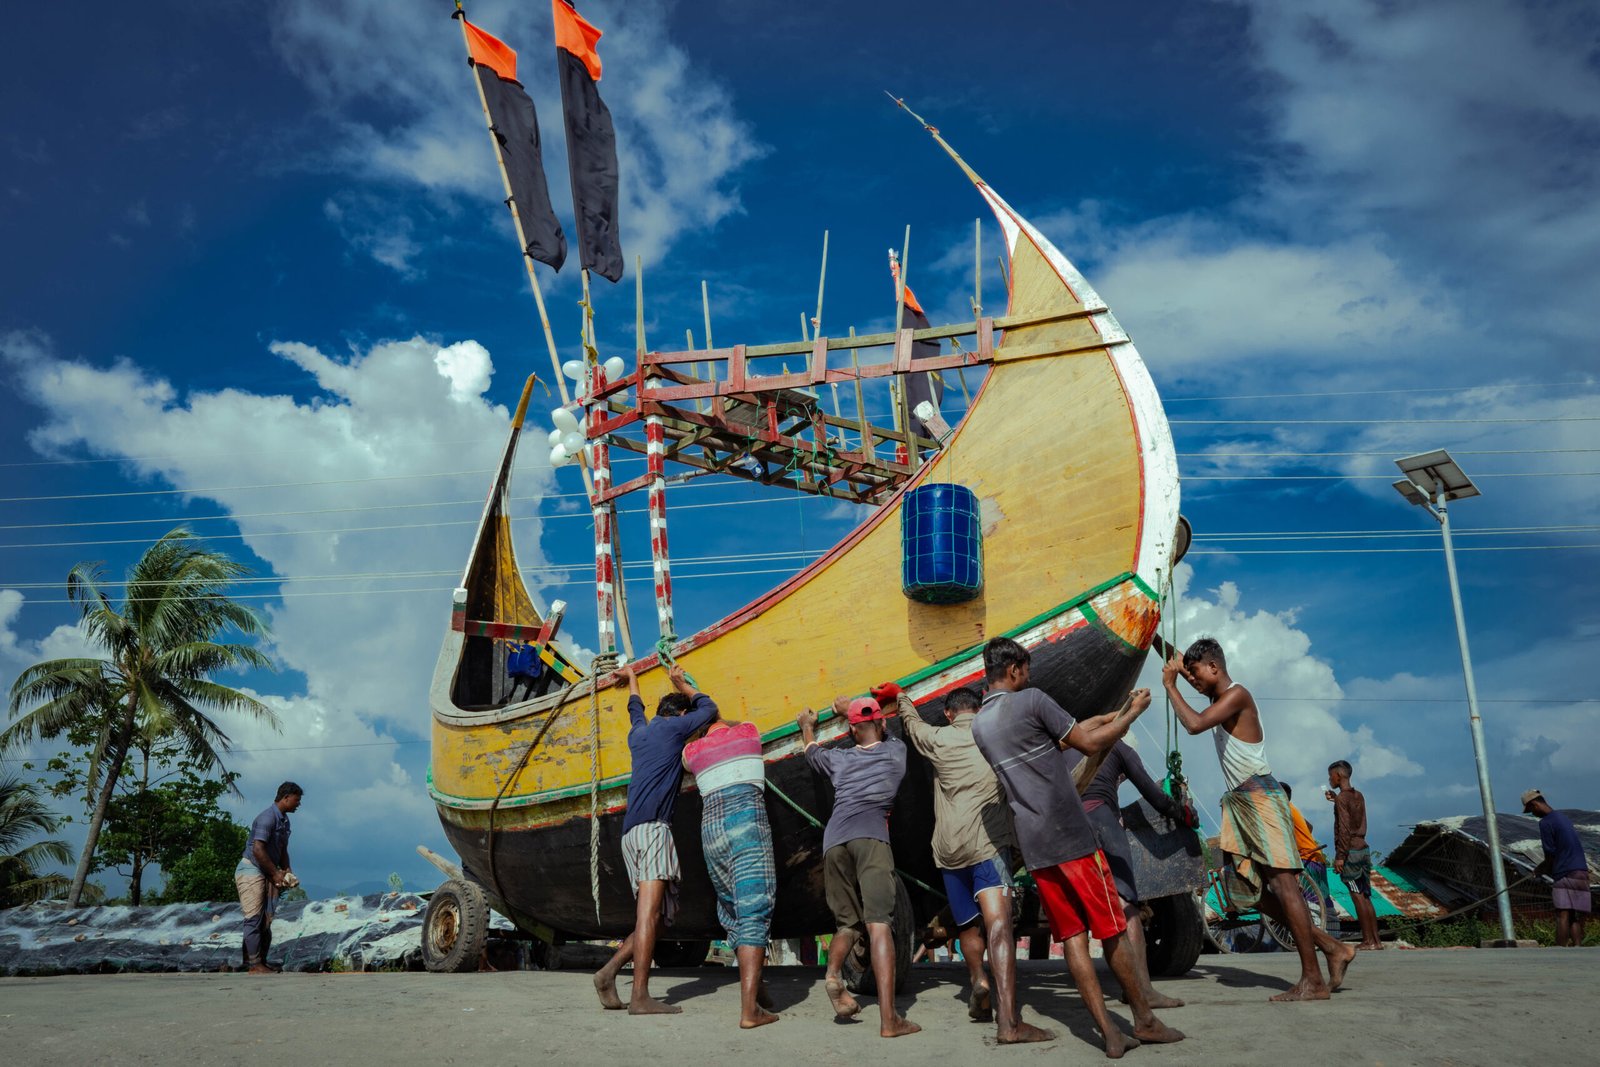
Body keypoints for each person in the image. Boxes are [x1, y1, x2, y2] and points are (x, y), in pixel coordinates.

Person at [970, 637, 1184, 1058]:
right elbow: (1088, 744)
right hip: (1071, 834)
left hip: (1033, 845)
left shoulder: (981, 724)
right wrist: (1133, 715)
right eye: (1026, 670)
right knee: (1113, 928)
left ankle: (1109, 1033)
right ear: (1014, 669)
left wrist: (1112, 714)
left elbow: (1055, 741)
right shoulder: (1031, 699)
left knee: (1071, 936)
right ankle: (1144, 1019)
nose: (1029, 676)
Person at [1164, 637, 1355, 1002]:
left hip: (1260, 796)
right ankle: (1332, 947)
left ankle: (1313, 981)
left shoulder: (1237, 695)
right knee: (1244, 891)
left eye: (1198, 675)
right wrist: (1157, 636)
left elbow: (1193, 725)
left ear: (1215, 667)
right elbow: (1186, 666)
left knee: (1284, 887)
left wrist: (1170, 685)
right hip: (1238, 802)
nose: (1194, 682)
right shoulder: (1217, 696)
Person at [883, 680, 1053, 1044]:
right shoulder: (995, 736)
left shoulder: (938, 738)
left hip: (948, 852)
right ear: (978, 710)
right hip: (986, 847)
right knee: (999, 928)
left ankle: (978, 980)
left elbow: (911, 725)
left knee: (968, 928)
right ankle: (1009, 1022)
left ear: (948, 714)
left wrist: (901, 697)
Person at [593, 664, 718, 1015]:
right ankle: (640, 997)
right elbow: (709, 709)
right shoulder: (675, 728)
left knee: (658, 919)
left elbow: (635, 708)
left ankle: (608, 972)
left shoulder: (640, 734)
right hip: (653, 831)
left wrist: (632, 679)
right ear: (680, 715)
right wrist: (683, 683)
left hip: (631, 833)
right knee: (648, 917)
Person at [798, 695, 920, 1038]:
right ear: (881, 723)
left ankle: (834, 975)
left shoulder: (840, 759)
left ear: (851, 731)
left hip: (834, 840)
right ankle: (889, 1020)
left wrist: (807, 726)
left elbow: (811, 753)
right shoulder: (896, 752)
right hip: (871, 836)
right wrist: (850, 706)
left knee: (847, 924)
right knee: (879, 925)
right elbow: (888, 728)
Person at [1067, 725, 1194, 1010]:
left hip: (1067, 830)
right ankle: (1142, 990)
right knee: (1126, 906)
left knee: (1074, 917)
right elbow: (1153, 794)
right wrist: (1182, 812)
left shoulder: (1065, 751)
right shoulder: (1119, 747)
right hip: (1101, 820)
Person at [681, 710, 779, 1027]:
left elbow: (686, 752)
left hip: (711, 831)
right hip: (745, 824)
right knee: (754, 908)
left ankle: (758, 989)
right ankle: (749, 1010)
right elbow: (742, 723)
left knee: (731, 909)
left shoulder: (693, 753)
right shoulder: (749, 733)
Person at [235, 781, 302, 975]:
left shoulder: (284, 820)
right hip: (251, 870)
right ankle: (254, 964)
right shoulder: (266, 818)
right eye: (296, 800)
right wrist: (275, 873)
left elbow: (282, 849)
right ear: (286, 798)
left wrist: (287, 870)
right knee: (253, 918)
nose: (298, 804)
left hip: (266, 871)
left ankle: (260, 962)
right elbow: (257, 849)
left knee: (266, 920)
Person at [1524, 788, 1591, 947]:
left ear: (1535, 804)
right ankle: (1577, 948)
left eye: (1531, 810)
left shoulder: (1546, 823)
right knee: (1573, 913)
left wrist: (1540, 869)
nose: (1533, 815)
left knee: (1562, 913)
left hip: (1565, 872)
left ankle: (1559, 951)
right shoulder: (1563, 818)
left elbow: (1550, 855)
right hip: (1581, 870)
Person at [1326, 760, 1382, 950]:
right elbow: (1354, 816)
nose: (1329, 779)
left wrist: (1340, 856)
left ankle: (1367, 941)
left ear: (1338, 776)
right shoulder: (1358, 796)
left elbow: (1344, 829)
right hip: (1363, 849)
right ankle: (1376, 941)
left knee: (1356, 896)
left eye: (1331, 775)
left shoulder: (1342, 799)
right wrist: (1336, 800)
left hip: (1350, 852)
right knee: (1366, 896)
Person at [1282, 783, 1332, 907]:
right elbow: (1310, 827)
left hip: (1307, 858)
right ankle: (1332, 925)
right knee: (1324, 900)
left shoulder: (1283, 810)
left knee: (1312, 903)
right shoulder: (1292, 808)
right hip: (1317, 858)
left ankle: (1315, 926)